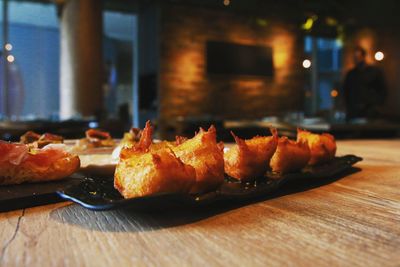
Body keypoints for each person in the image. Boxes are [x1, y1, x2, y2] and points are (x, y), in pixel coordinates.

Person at [342, 46, 387, 120]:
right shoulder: (351, 74)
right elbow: (346, 92)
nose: (356, 60)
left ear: (363, 57)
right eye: (354, 58)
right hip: (354, 112)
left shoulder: (374, 72)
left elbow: (383, 90)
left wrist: (377, 104)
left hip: (370, 112)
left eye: (357, 57)